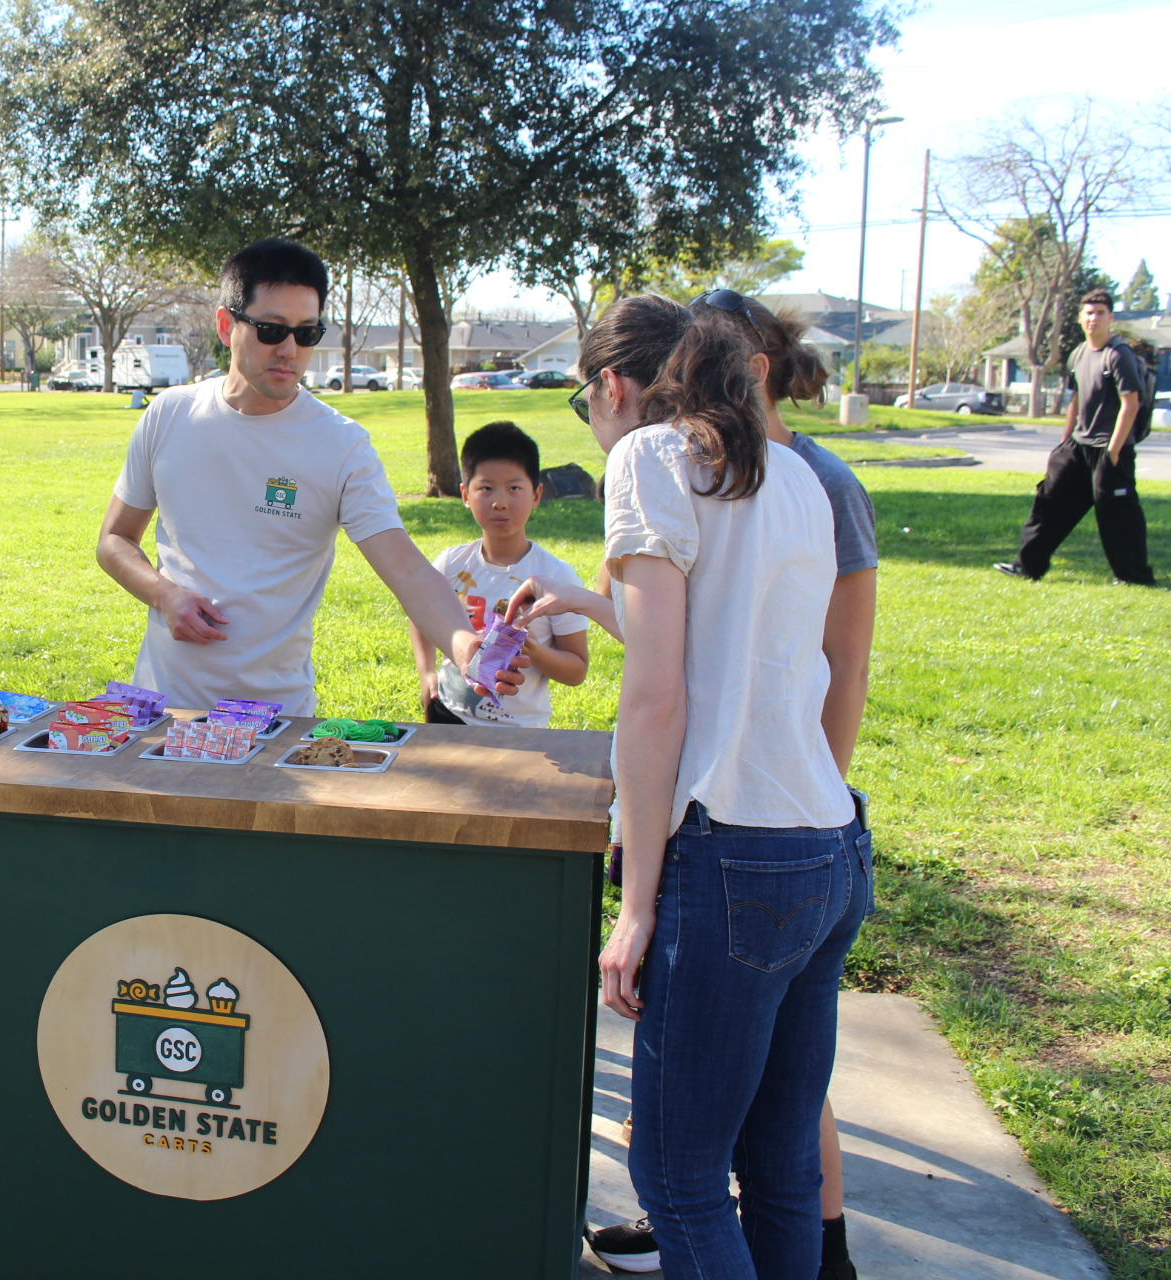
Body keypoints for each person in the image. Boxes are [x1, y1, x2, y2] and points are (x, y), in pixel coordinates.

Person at [515, 294, 870, 1279]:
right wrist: (589, 601)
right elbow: (725, 646)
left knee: (676, 1178)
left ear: (614, 386)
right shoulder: (793, 473)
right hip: (828, 845)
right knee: (781, 1166)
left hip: (730, 857)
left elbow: (658, 696)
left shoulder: (647, 459)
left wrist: (634, 909)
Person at [96, 238, 518, 715]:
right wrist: (163, 594)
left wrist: (463, 645)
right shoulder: (170, 414)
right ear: (226, 325)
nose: (289, 350)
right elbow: (114, 540)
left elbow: (405, 567)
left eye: (307, 333)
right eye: (271, 330)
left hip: (275, 721)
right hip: (165, 710)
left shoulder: (341, 445)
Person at [409, 420, 588, 727]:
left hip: (519, 731)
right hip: (448, 715)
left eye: (514, 488)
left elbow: (576, 670)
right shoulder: (451, 563)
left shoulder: (556, 577)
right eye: (486, 488)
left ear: (537, 495)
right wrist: (426, 672)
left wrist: (532, 649)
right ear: (466, 494)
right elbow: (420, 612)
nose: (500, 502)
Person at [995, 287, 1155, 586]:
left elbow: (1130, 404)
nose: (1094, 318)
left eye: (1100, 313)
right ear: (1080, 318)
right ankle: (1028, 567)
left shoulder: (1118, 355)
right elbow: (1077, 400)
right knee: (1049, 504)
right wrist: (1064, 442)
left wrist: (1113, 452)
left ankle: (1133, 577)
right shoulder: (1079, 354)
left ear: (1110, 318)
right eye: (1089, 313)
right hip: (1079, 446)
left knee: (1118, 516)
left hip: (1111, 449)